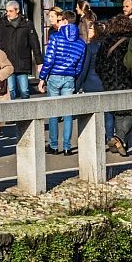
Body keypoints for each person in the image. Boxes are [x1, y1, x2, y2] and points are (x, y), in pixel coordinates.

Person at [38, 8, 86, 155]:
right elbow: (79, 65)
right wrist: (73, 74)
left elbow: (49, 59)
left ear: (64, 21)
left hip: (54, 75)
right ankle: (66, 146)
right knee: (67, 113)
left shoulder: (56, 38)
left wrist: (42, 78)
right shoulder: (81, 43)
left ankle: (53, 145)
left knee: (53, 111)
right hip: (70, 76)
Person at [95, 15, 132, 156]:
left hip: (110, 83)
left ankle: (120, 141)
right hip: (128, 82)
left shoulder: (106, 42)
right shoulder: (131, 41)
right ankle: (119, 138)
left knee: (118, 113)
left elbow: (98, 65)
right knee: (131, 112)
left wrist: (106, 78)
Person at [0, 0, 41, 101]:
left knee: (24, 90)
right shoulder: (3, 24)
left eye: (11, 11)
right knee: (11, 90)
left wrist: (39, 62)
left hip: (22, 61)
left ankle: (27, 115)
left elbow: (34, 43)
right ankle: (12, 115)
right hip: (8, 62)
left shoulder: (27, 24)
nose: (8, 13)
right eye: (7, 11)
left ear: (17, 11)